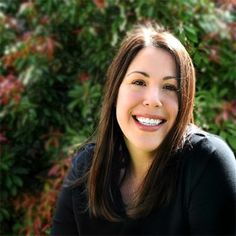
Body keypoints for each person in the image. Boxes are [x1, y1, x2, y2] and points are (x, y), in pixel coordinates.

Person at [51, 21, 236, 235]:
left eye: (169, 87)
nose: (153, 100)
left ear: (183, 101)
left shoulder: (207, 163)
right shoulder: (87, 168)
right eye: (139, 82)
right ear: (115, 91)